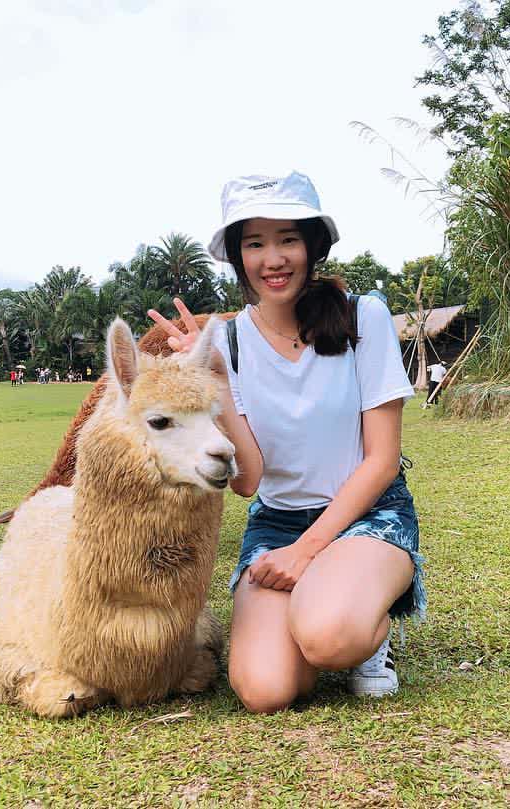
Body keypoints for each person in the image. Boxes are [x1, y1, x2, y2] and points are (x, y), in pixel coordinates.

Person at [147, 171, 423, 713]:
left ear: (312, 245)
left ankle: (365, 632)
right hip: (277, 524)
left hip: (367, 516)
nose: (272, 258)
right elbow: (248, 481)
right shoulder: (229, 341)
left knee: (331, 637)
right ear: (237, 256)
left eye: (287, 239)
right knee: (263, 691)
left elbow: (383, 460)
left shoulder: (362, 317)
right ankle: (326, 602)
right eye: (254, 243)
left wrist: (306, 553)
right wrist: (217, 382)